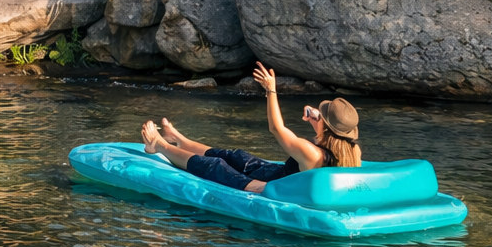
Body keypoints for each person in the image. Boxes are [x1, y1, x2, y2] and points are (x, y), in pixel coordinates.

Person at [140, 63, 362, 194]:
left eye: (321, 116)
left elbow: (276, 128)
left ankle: (158, 145)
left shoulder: (311, 153)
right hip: (276, 174)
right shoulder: (351, 150)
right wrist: (317, 118)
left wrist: (271, 90)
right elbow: (327, 138)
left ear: (328, 128)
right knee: (235, 156)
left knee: (215, 165)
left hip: (263, 187)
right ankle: (178, 138)